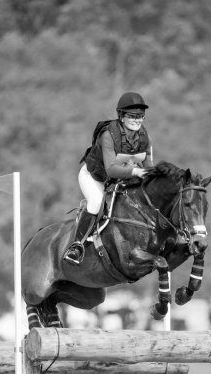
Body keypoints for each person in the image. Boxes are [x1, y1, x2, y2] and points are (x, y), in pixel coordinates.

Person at [64, 92, 154, 265]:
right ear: (121, 116)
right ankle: (77, 246)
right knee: (97, 201)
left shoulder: (145, 137)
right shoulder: (108, 135)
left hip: (119, 181)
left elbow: (148, 165)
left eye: (141, 116)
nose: (137, 120)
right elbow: (112, 170)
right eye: (133, 116)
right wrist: (135, 172)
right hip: (94, 177)